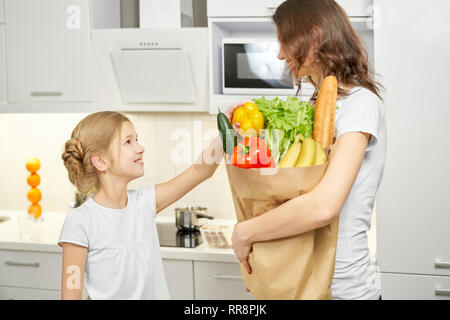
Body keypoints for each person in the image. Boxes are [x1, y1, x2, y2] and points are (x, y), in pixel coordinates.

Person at [230, 0, 386, 300]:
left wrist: (246, 232)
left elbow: (323, 207)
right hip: (299, 280)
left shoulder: (360, 105)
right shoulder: (313, 108)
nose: (279, 54)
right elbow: (289, 187)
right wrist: (243, 137)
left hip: (341, 289)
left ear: (315, 37)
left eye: (285, 42)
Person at [58, 111, 230, 299]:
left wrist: (227, 132)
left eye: (137, 140)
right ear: (101, 161)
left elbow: (200, 170)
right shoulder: (81, 220)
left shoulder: (144, 203)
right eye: (128, 142)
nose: (140, 148)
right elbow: (71, 295)